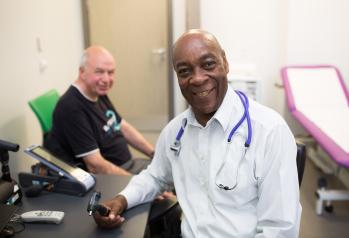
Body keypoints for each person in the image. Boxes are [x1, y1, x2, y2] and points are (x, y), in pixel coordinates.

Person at [93, 30, 301, 237]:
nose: (198, 78)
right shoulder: (175, 132)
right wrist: (121, 200)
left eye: (208, 64)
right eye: (185, 71)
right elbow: (155, 177)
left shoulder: (270, 131)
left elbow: (280, 229)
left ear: (225, 63)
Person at [44, 46, 155, 175]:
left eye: (111, 72)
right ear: (82, 72)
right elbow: (95, 165)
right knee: (174, 182)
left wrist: (155, 154)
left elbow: (122, 126)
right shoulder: (71, 107)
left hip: (129, 167)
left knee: (173, 170)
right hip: (114, 178)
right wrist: (141, 186)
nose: (106, 79)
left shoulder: (97, 91)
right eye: (99, 71)